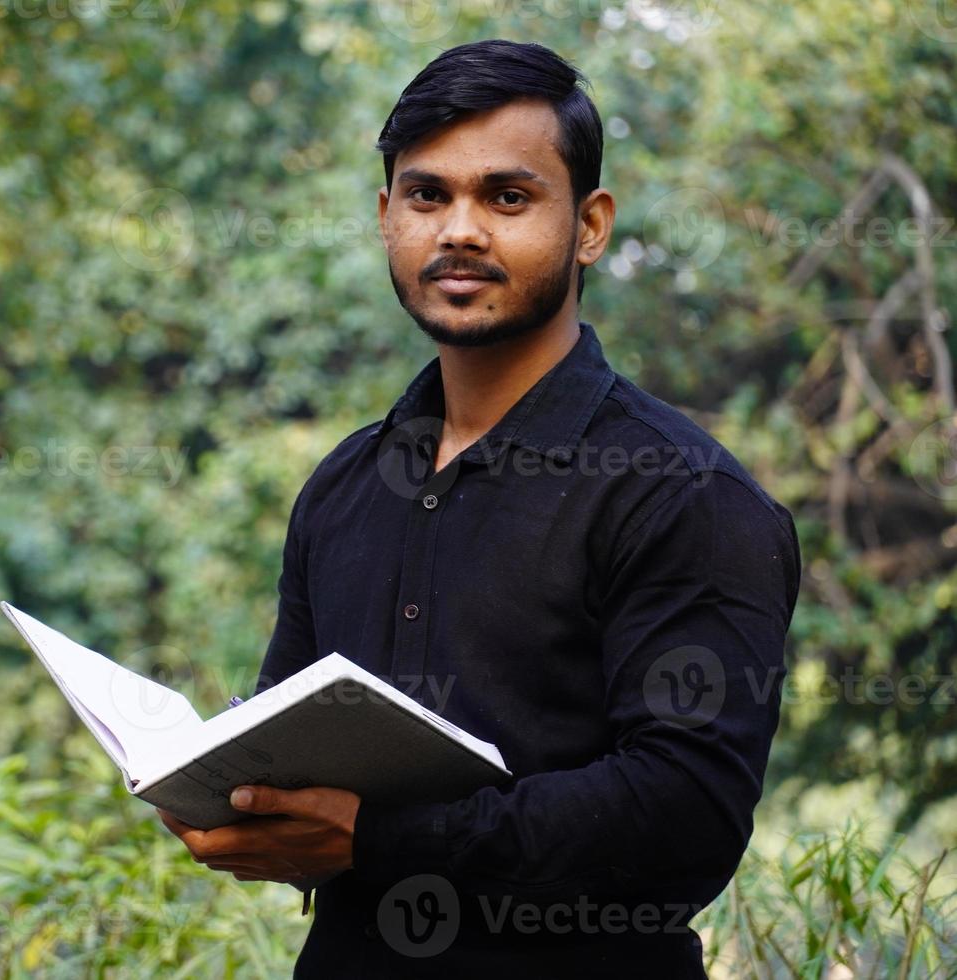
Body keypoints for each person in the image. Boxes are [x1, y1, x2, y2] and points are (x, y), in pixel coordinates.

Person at [157, 38, 801, 977]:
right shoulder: (343, 488)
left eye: (507, 197)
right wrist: (227, 800)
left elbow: (685, 817)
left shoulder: (683, 495)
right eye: (428, 195)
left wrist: (380, 838)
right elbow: (291, 754)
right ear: (386, 219)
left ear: (589, 226)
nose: (460, 230)